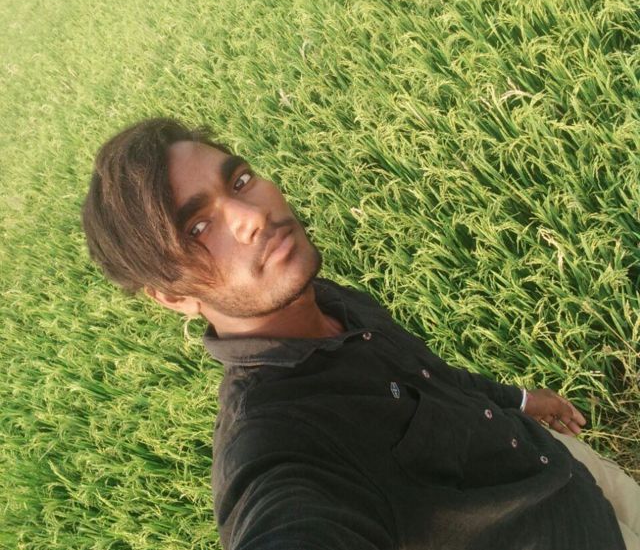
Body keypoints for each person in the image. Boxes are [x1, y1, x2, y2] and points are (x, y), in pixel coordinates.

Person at [81, 117, 640, 550]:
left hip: (566, 467)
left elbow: (431, 377)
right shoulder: (276, 443)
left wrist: (518, 401)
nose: (251, 216)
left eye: (240, 181)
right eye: (199, 226)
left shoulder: (324, 298)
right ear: (174, 297)